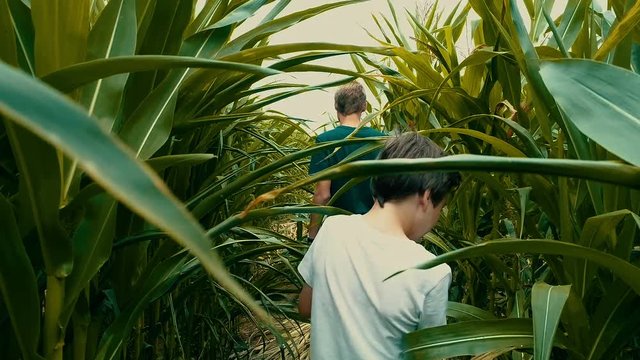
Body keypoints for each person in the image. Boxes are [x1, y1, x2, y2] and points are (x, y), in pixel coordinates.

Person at [297, 132, 461, 360]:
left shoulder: (332, 229)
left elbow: (305, 307)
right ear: (426, 196)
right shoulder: (432, 272)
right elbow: (430, 354)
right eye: (440, 208)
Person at [307, 81, 385, 241]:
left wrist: (312, 236)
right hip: (375, 229)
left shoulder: (325, 140)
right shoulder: (382, 140)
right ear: (364, 106)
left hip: (338, 230)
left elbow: (322, 195)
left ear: (336, 106)